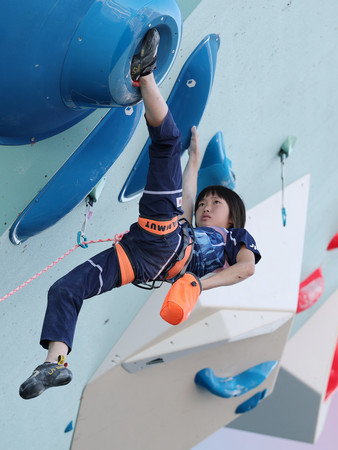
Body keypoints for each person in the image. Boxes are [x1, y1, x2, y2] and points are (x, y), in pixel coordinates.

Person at [19, 29, 261, 400]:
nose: (207, 207)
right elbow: (189, 195)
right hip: (141, 258)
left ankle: (144, 72)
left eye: (217, 204)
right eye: (205, 204)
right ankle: (55, 362)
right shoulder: (195, 224)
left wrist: (198, 286)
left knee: (167, 142)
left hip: (164, 244)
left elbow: (246, 269)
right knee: (66, 289)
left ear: (233, 219)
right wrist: (194, 161)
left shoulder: (236, 240)